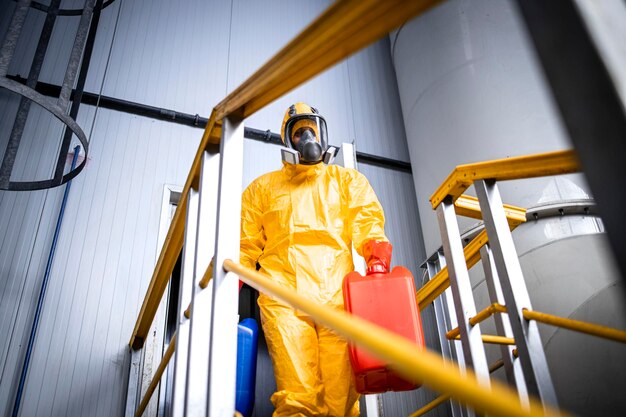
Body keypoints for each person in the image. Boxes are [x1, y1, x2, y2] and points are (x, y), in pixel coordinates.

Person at [240, 102, 393, 416]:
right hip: (284, 299)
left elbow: (367, 221)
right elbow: (244, 244)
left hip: (336, 299)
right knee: (298, 398)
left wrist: (376, 255)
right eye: (298, 133)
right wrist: (231, 284)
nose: (307, 137)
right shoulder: (262, 189)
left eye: (311, 129)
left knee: (342, 399)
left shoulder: (346, 181)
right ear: (287, 141)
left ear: (323, 133)